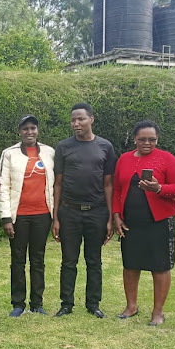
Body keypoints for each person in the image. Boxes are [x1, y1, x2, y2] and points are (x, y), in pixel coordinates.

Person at [112, 120, 175, 326]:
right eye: (142, 139)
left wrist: (159, 189)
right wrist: (116, 215)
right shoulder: (124, 159)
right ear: (134, 138)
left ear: (157, 140)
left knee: (159, 267)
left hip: (158, 222)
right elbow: (117, 190)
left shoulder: (167, 159)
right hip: (130, 223)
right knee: (130, 265)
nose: (147, 143)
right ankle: (131, 306)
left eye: (152, 140)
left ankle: (158, 311)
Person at [52, 102, 116, 319]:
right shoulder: (63, 147)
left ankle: (93, 303)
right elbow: (58, 184)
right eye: (72, 120)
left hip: (96, 212)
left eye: (80, 119)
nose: (76, 123)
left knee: (94, 260)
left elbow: (108, 184)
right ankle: (66, 303)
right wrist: (56, 217)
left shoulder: (105, 147)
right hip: (69, 212)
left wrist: (109, 216)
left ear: (91, 119)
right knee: (69, 261)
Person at [0, 114, 55, 317]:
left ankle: (37, 303)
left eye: (33, 128)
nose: (29, 132)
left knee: (38, 260)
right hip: (19, 216)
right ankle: (18, 304)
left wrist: (55, 215)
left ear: (37, 130)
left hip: (42, 215)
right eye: (25, 129)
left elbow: (55, 185)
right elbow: (3, 186)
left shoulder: (49, 152)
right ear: (19, 131)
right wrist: (6, 218)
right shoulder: (9, 154)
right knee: (18, 260)